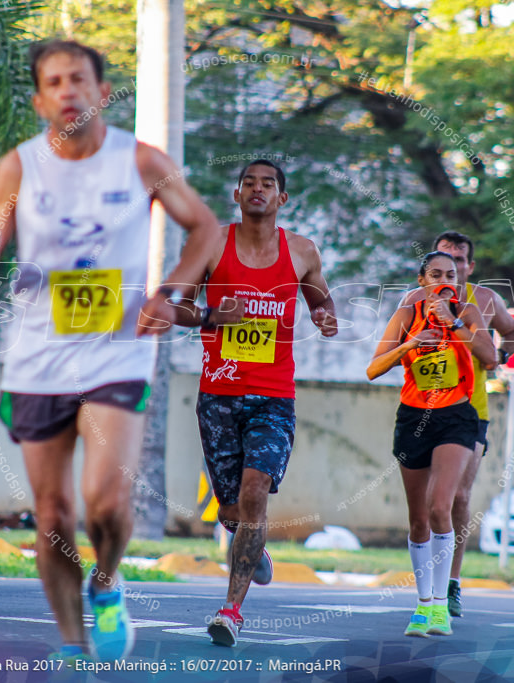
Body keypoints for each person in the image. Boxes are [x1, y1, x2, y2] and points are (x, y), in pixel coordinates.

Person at [0, 39, 219, 663]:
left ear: (103, 92)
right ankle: (74, 648)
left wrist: (170, 291)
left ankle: (107, 581)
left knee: (106, 500)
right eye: (54, 82)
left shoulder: (140, 161)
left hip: (117, 350)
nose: (67, 90)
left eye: (78, 78)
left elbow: (206, 227)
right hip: (38, 357)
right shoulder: (18, 166)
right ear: (40, 99)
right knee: (53, 513)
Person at [171, 159, 337, 647]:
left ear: (282, 199)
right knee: (233, 511)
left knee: (255, 493)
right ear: (236, 195)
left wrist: (325, 317)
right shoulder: (210, 245)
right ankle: (253, 545)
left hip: (273, 396)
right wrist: (209, 315)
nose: (258, 189)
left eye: (268, 184)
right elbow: (169, 305)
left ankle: (230, 610)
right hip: (218, 393)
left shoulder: (303, 251)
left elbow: (321, 301)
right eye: (249, 183)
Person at [367, 251, 495, 637]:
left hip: (456, 418)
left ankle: (440, 605)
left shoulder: (467, 312)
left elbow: (489, 357)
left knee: (442, 506)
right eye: (435, 274)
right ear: (422, 280)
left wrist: (453, 322)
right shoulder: (407, 313)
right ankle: (423, 604)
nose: (444, 280)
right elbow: (373, 368)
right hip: (412, 418)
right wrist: (409, 345)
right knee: (418, 518)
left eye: (451, 275)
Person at [400, 231, 514, 617]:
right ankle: (429, 591)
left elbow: (512, 333)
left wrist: (498, 356)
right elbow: (391, 351)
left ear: (468, 267)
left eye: (459, 262)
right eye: (443, 263)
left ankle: (450, 584)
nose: (451, 271)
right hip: (423, 412)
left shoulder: (483, 301)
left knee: (457, 498)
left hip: (471, 411)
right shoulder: (413, 303)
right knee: (426, 508)